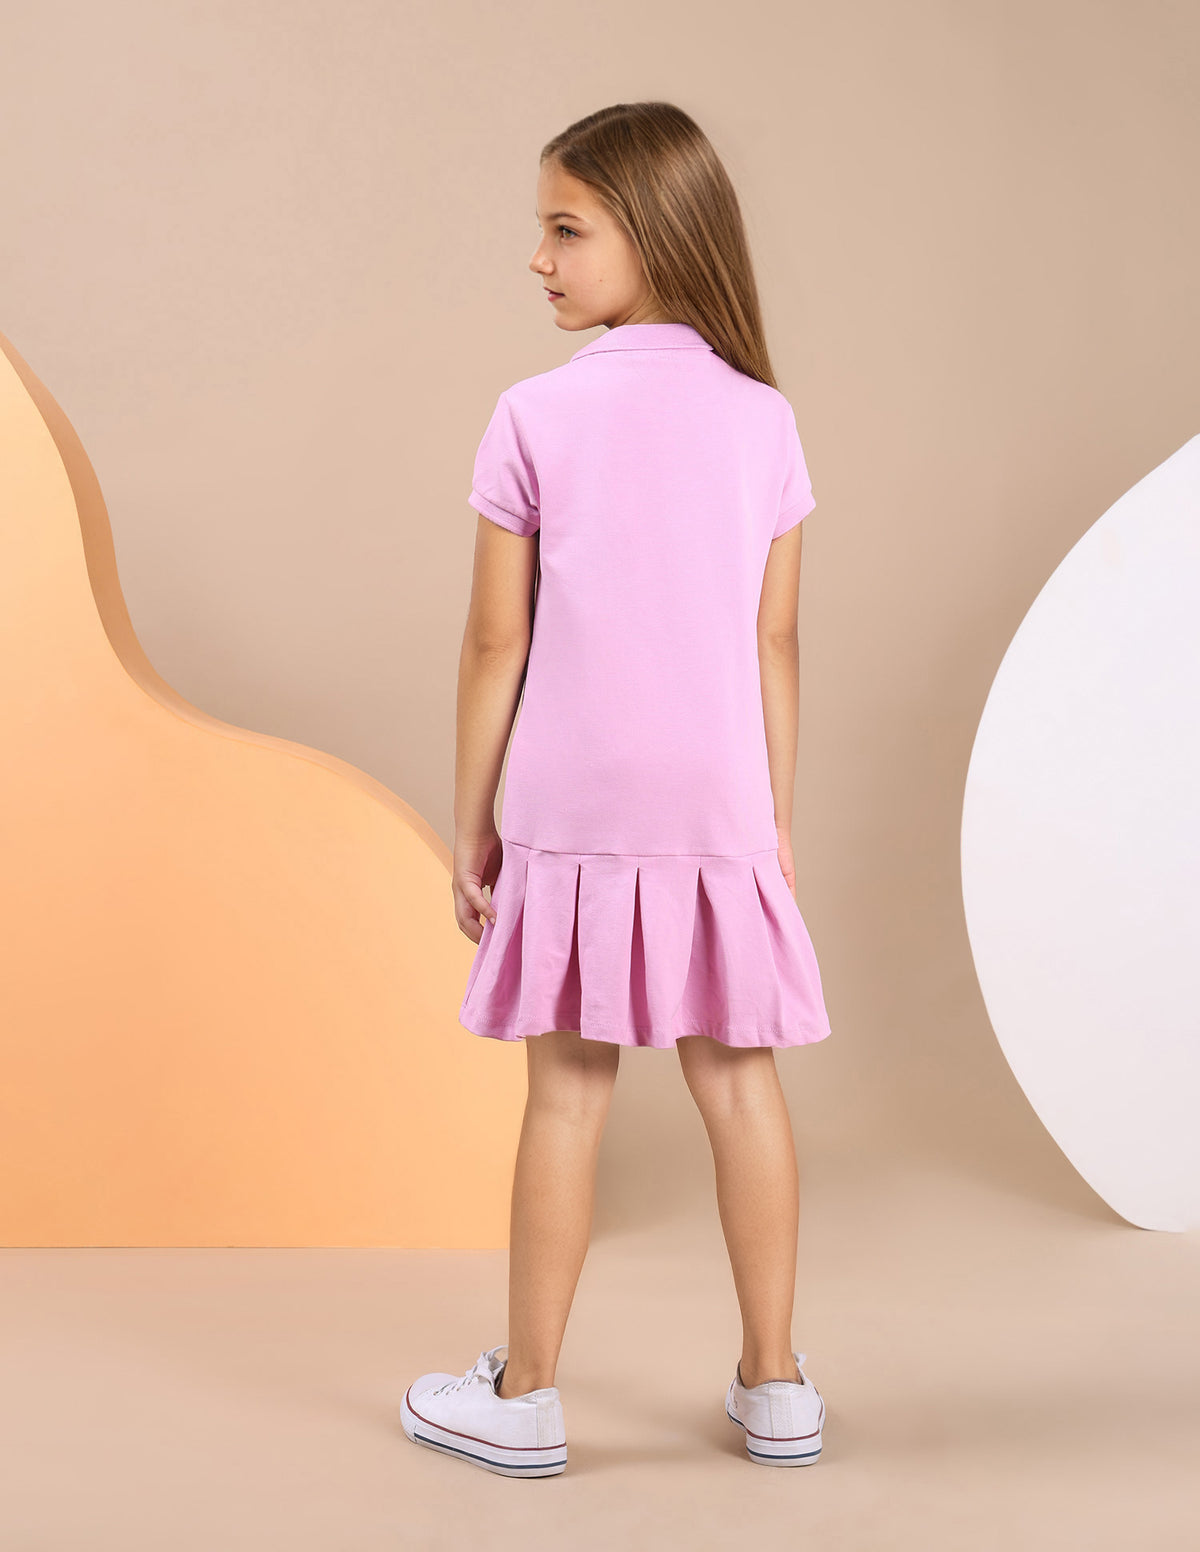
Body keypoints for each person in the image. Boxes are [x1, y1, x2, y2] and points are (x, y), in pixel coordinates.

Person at [401, 101, 830, 1477]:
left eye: (565, 228)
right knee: (741, 1084)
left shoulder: (535, 414)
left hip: (573, 801)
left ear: (652, 233)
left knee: (568, 1096)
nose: (540, 258)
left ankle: (526, 1398)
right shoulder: (765, 420)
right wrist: (771, 824)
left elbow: (495, 643)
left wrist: (471, 820)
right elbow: (774, 642)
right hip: (718, 800)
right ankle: (777, 1385)